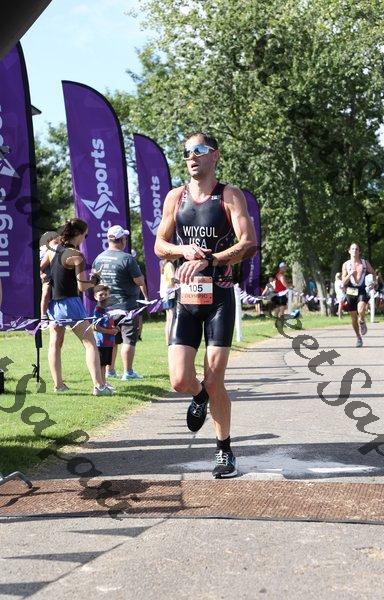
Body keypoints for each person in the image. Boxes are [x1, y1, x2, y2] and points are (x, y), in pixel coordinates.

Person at [155, 131, 256, 478]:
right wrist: (182, 250)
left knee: (215, 381)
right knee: (179, 380)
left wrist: (210, 259)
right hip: (187, 298)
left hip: (219, 299)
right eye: (186, 152)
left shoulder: (229, 195)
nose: (191, 157)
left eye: (199, 150)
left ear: (214, 155)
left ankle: (224, 450)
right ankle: (198, 397)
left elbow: (248, 243)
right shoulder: (175, 197)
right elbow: (159, 244)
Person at [40, 218, 112, 395]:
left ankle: (59, 386)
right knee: (90, 343)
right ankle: (99, 386)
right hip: (71, 303)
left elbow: (41, 268)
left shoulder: (52, 250)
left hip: (54, 305)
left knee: (55, 345)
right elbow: (82, 286)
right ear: (78, 234)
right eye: (85, 236)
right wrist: (95, 280)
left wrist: (46, 279)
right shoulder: (77, 255)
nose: (84, 239)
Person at [93, 225, 148, 380]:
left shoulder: (99, 258)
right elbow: (139, 281)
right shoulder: (127, 258)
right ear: (122, 240)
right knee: (128, 339)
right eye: (125, 238)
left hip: (107, 307)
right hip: (126, 306)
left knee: (112, 340)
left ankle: (110, 371)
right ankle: (128, 372)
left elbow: (94, 281)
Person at [341, 242, 376, 347]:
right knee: (353, 318)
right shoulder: (346, 265)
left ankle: (362, 320)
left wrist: (374, 282)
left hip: (362, 289)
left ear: (359, 252)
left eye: (356, 249)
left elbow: (373, 273)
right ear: (349, 251)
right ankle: (358, 338)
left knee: (360, 310)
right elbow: (343, 282)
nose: (354, 251)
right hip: (350, 291)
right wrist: (349, 274)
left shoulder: (364, 263)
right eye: (352, 249)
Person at [93, 284, 119, 390]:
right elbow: (95, 327)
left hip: (109, 342)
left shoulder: (108, 310)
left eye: (105, 294)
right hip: (101, 342)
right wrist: (110, 331)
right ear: (95, 297)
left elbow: (110, 323)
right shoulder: (97, 310)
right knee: (101, 365)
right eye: (100, 295)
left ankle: (104, 382)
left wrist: (116, 328)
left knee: (104, 365)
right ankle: (101, 384)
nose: (103, 297)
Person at [159, 259, 176, 343]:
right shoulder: (169, 265)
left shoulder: (164, 264)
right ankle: (171, 339)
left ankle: (168, 340)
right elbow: (172, 280)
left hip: (164, 294)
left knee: (168, 319)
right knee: (172, 318)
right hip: (170, 294)